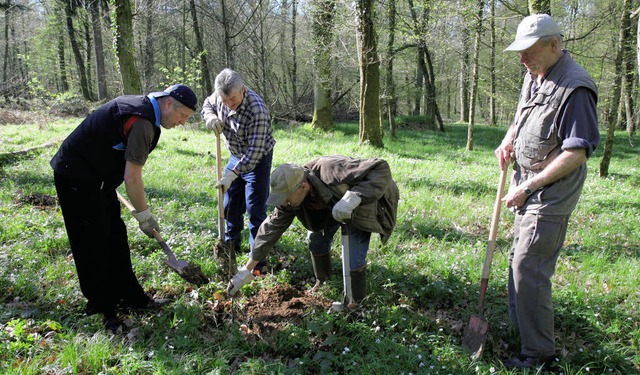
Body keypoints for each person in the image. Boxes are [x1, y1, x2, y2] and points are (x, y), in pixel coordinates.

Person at [495, 14, 600, 370]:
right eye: (520, 52)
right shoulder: (536, 73)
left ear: (554, 44)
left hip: (549, 193)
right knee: (517, 261)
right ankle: (522, 330)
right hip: (526, 185)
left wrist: (529, 186)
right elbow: (522, 116)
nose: (522, 59)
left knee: (529, 267)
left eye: (529, 51)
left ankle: (539, 354)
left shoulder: (576, 89)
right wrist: (509, 139)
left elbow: (577, 151)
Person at [50, 84, 198, 333]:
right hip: (76, 178)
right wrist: (144, 216)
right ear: (168, 104)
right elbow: (133, 177)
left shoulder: (144, 113)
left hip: (98, 180)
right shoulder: (142, 122)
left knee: (115, 237)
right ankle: (104, 308)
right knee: (92, 243)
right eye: (183, 116)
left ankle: (133, 298)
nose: (183, 123)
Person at [226, 156, 399, 304]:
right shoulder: (291, 199)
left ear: (303, 186)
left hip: (363, 201)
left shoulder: (331, 170)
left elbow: (381, 168)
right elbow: (270, 229)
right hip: (331, 207)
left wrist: (354, 198)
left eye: (286, 197)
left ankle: (356, 305)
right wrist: (247, 269)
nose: (284, 202)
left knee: (353, 258)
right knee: (316, 241)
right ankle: (323, 281)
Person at [201, 69, 275, 270]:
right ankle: (230, 245)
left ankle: (258, 260)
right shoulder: (221, 96)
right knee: (230, 204)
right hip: (235, 155)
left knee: (255, 209)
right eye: (225, 101)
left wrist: (233, 174)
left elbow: (254, 153)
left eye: (233, 100)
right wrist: (210, 117)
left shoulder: (257, 110)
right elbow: (208, 104)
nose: (228, 105)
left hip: (257, 159)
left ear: (242, 89)